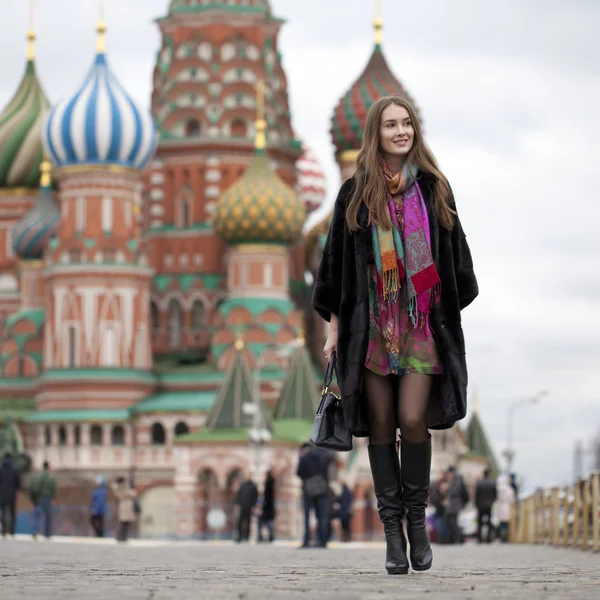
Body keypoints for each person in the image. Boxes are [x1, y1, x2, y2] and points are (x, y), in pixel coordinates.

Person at [313, 96, 478, 574]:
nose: (401, 131)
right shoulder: (355, 194)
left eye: (407, 123)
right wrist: (334, 326)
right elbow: (335, 269)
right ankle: (392, 538)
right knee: (381, 425)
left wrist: (439, 304)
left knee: (412, 419)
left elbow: (456, 258)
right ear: (376, 133)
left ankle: (416, 524)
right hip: (371, 327)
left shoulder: (434, 189)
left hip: (420, 324)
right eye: (391, 124)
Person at [297, 443, 332, 548]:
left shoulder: (305, 456)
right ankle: (323, 541)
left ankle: (306, 540)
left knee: (307, 516)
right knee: (322, 515)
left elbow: (299, 472)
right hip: (322, 488)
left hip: (308, 489)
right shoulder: (326, 455)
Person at [29, 461, 57, 540]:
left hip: (38, 497)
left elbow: (33, 487)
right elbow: (54, 488)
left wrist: (33, 498)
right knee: (48, 517)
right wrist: (53, 497)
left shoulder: (37, 476)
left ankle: (35, 531)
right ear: (48, 467)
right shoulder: (51, 477)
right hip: (47, 498)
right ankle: (47, 534)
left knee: (37, 516)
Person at [445, 466, 469, 544]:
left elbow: (455, 490)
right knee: (451, 521)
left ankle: (458, 539)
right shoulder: (456, 479)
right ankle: (456, 538)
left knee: (453, 522)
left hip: (455, 504)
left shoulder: (457, 479)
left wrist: (447, 488)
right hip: (454, 504)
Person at [0, 453, 21, 538]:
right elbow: (18, 482)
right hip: (12, 494)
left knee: (3, 512)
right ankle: (11, 531)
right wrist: (15, 488)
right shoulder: (15, 469)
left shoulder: (1, 468)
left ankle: (4, 531)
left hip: (1, 494)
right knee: (12, 513)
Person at [234, 472, 258, 543]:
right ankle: (239, 537)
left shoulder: (253, 486)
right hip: (242, 506)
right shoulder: (243, 485)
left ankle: (247, 537)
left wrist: (254, 506)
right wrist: (237, 504)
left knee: (248, 522)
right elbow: (239, 495)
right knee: (239, 522)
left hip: (249, 507)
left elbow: (255, 497)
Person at [111, 476, 137, 542]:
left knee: (124, 522)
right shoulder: (122, 488)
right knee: (124, 522)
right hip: (126, 505)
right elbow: (133, 494)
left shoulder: (118, 488)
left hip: (124, 505)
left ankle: (121, 537)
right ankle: (121, 537)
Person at [475, 468, 497, 543]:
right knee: (489, 522)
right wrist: (492, 502)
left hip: (480, 505)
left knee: (480, 523)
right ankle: (488, 538)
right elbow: (495, 495)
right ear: (489, 474)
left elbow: (476, 495)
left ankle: (480, 538)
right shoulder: (492, 482)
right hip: (489, 505)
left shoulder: (479, 483)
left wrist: (477, 504)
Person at [495, 474, 516, 542]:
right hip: (507, 506)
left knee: (501, 522)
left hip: (500, 505)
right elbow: (512, 499)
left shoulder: (498, 488)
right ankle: (505, 537)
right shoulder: (509, 489)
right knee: (506, 523)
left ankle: (501, 537)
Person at [257, 470, 276, 543]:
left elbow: (266, 497)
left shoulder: (268, 485)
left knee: (264, 521)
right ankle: (267, 536)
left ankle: (262, 536)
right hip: (269, 507)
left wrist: (263, 505)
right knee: (266, 522)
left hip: (266, 507)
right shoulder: (271, 484)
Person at [429, 473, 448, 544]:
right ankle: (440, 540)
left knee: (443, 527)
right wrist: (441, 502)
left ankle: (444, 540)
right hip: (439, 512)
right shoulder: (436, 492)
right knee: (440, 526)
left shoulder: (444, 492)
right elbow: (436, 500)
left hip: (442, 512)